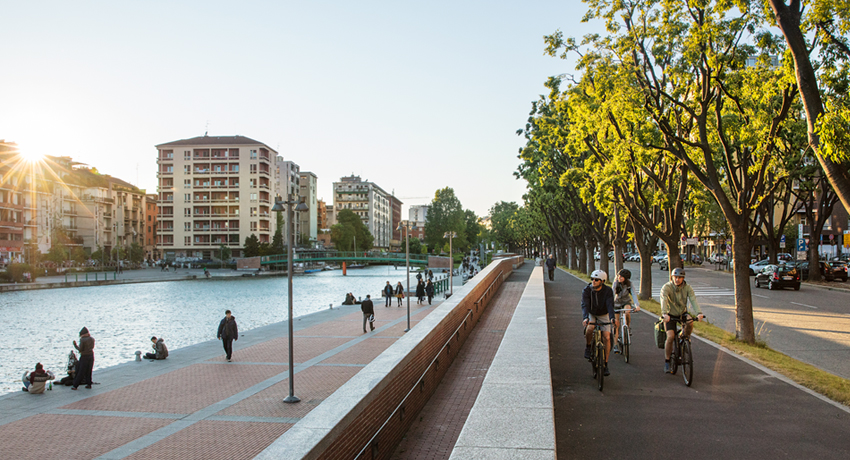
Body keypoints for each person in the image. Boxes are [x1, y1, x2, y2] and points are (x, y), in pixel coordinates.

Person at [660, 267, 704, 373]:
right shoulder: (667, 287)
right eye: (675, 277)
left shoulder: (687, 288)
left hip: (682, 313)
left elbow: (693, 299)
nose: (677, 279)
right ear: (672, 277)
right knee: (670, 337)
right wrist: (664, 313)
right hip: (670, 314)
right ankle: (667, 360)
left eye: (680, 277)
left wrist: (699, 313)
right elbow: (664, 299)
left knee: (690, 320)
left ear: (683, 278)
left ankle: (684, 337)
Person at [581, 270, 615, 377]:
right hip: (592, 313)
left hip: (604, 314)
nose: (593, 282)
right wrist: (585, 318)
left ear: (602, 281)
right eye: (592, 279)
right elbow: (585, 305)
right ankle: (588, 346)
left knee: (607, 337)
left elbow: (610, 304)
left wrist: (612, 318)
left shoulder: (608, 291)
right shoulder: (587, 290)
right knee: (590, 329)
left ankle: (605, 364)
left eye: (596, 280)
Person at [611, 268, 641, 354]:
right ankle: (615, 345)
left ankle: (627, 327)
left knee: (627, 312)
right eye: (619, 276)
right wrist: (610, 304)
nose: (619, 278)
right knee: (616, 324)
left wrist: (637, 305)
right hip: (616, 303)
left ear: (626, 278)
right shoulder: (616, 283)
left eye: (621, 277)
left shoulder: (629, 284)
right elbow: (612, 293)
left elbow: (634, 294)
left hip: (626, 302)